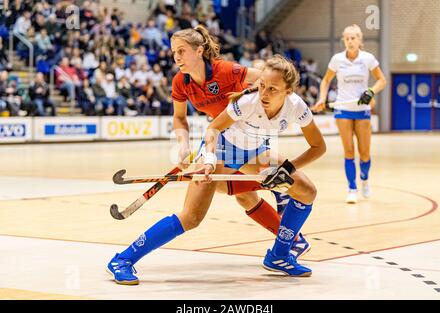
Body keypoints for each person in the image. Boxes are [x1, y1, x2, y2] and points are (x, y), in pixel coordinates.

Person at [106, 27, 308, 285]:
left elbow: (270, 80)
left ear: (199, 51)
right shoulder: (181, 82)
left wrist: (254, 96)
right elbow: (180, 118)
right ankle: (122, 260)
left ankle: (284, 245)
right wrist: (182, 145)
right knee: (192, 216)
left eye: (181, 51)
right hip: (219, 144)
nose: (176, 57)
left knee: (281, 185)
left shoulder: (228, 71)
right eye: (173, 52)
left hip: (250, 143)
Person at [199, 54, 326, 276]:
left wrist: (288, 169)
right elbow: (213, 128)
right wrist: (208, 159)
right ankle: (275, 188)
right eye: (262, 86)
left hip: (254, 152)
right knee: (222, 197)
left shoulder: (296, 106)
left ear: (288, 91)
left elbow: (318, 147)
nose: (264, 94)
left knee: (307, 191)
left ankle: (279, 255)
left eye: (272, 89)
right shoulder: (248, 102)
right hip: (222, 151)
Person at [311, 24, 386, 204]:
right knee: (349, 151)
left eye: (354, 38)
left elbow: (382, 80)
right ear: (344, 40)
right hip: (343, 110)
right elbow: (326, 80)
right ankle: (352, 188)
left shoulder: (368, 59)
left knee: (365, 153)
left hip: (362, 110)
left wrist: (371, 92)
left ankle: (365, 179)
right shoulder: (337, 59)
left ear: (359, 40)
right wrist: (322, 98)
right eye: (347, 38)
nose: (350, 41)